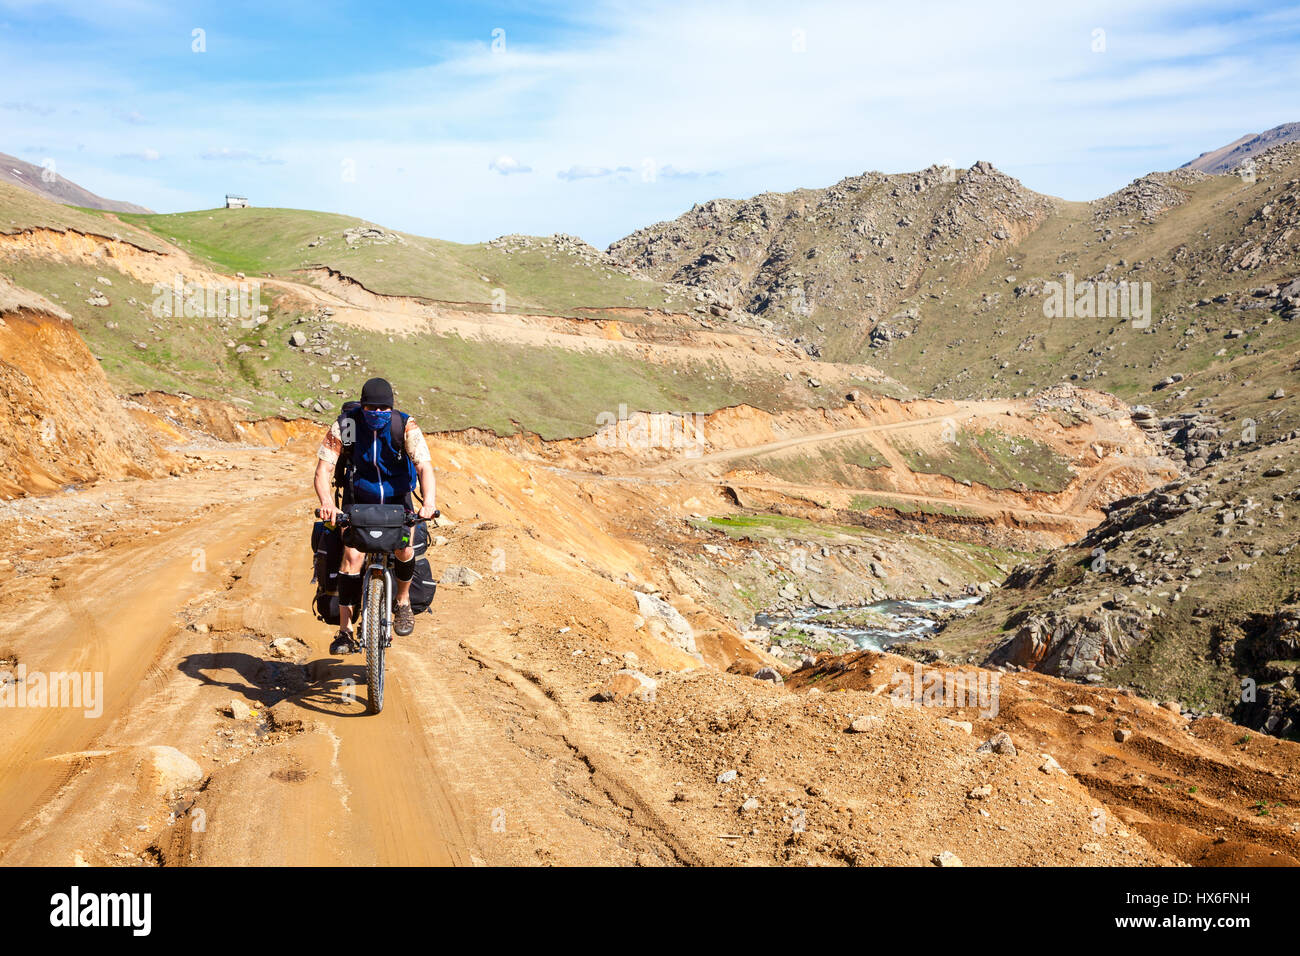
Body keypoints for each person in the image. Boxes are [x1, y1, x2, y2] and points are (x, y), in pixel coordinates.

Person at [313, 378, 437, 654]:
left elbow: (424, 468)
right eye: (371, 407)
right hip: (358, 501)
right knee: (351, 558)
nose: (377, 414)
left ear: (391, 408)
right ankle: (344, 631)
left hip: (397, 501)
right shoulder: (347, 425)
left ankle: (402, 603)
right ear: (363, 404)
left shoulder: (404, 426)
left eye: (384, 409)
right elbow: (324, 470)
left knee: (405, 549)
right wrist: (327, 504)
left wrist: (428, 503)